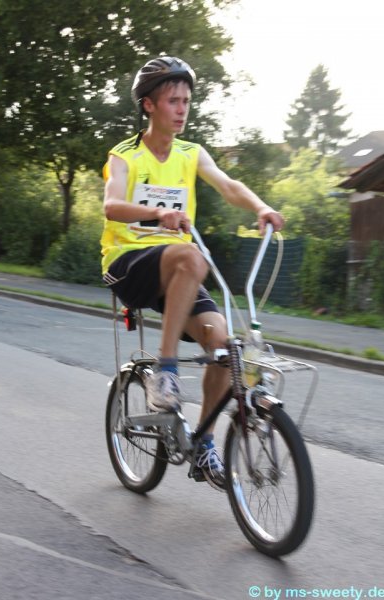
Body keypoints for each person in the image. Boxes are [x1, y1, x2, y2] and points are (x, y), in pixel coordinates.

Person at [101, 56, 284, 489]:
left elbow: (228, 185)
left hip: (179, 271)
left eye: (186, 101)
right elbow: (112, 205)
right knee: (192, 257)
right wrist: (157, 214)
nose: (182, 109)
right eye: (173, 101)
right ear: (148, 105)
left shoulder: (191, 153)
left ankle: (203, 443)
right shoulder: (124, 155)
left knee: (224, 347)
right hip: (129, 262)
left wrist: (261, 206)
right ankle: (165, 372)